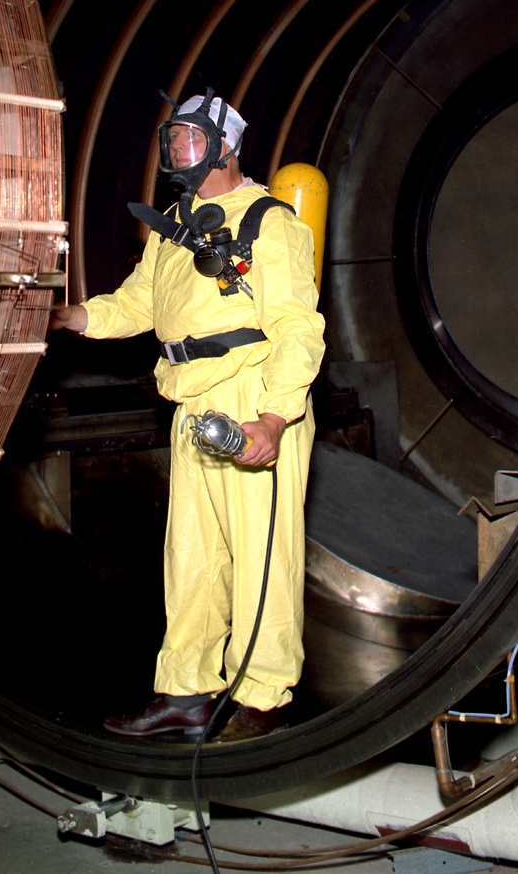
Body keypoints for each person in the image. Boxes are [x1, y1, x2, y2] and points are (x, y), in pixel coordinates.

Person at [50, 90, 325, 742]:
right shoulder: (174, 227)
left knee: (262, 554)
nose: (177, 150)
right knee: (193, 556)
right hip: (193, 401)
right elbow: (137, 305)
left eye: (191, 139)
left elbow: (297, 328)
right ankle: (187, 693)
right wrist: (72, 318)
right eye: (171, 139)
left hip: (252, 395)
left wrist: (274, 418)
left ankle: (263, 700)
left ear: (226, 147)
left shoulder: (269, 223)